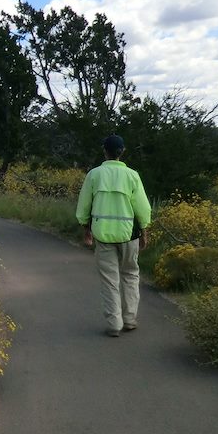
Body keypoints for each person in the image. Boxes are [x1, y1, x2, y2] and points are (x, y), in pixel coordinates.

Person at [74, 134, 152, 337]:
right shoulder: (132, 175)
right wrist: (144, 230)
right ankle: (130, 319)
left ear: (104, 151)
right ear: (122, 151)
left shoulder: (95, 174)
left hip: (103, 234)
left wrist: (85, 228)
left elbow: (84, 205)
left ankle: (114, 324)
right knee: (130, 275)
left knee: (109, 280)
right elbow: (142, 208)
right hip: (129, 235)